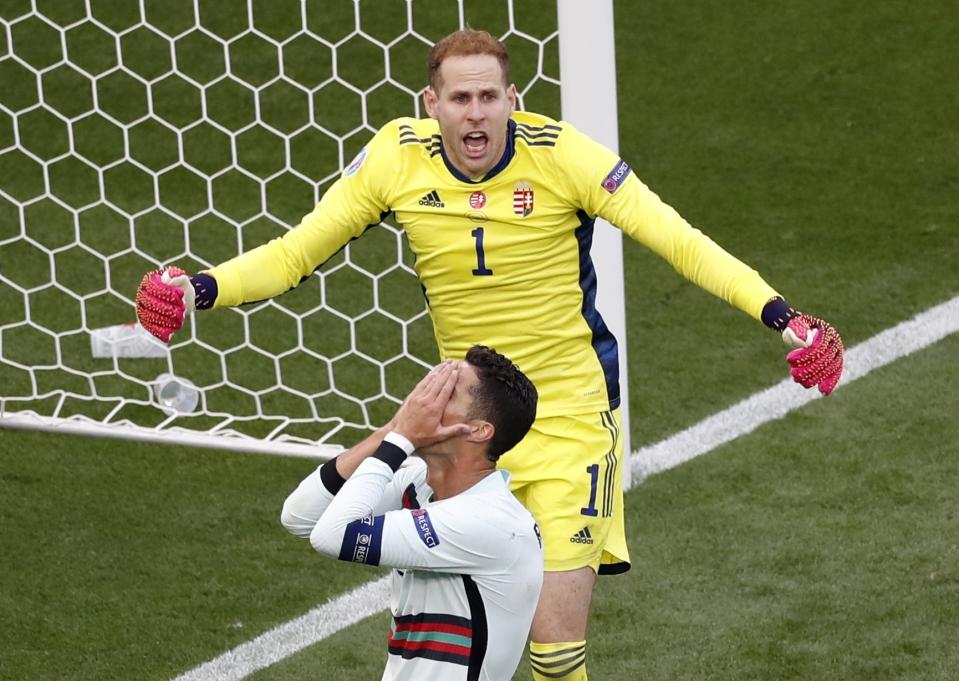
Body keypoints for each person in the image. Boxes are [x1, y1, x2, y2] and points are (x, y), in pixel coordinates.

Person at [136, 28, 844, 681]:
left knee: (556, 651)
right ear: (431, 103)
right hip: (467, 428)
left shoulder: (562, 153)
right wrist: (201, 288)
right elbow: (295, 253)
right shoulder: (394, 157)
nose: (474, 115)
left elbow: (678, 238)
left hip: (569, 420)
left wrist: (781, 317)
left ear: (512, 99)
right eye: (458, 98)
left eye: (486, 97)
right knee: (454, 636)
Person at [281, 346, 542, 681]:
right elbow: (300, 517)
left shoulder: (488, 522)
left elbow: (332, 536)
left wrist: (401, 437)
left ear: (479, 430)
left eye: (445, 393)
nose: (423, 403)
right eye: (430, 386)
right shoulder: (417, 481)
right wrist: (392, 428)